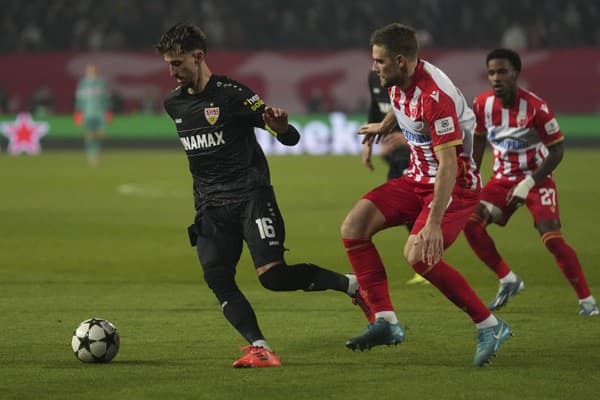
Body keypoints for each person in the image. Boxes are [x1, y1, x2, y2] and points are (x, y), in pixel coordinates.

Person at [155, 23, 372, 369]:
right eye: (168, 64)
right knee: (217, 278)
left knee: (273, 277)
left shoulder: (233, 94)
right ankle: (260, 347)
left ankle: (352, 285)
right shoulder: (173, 104)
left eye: (177, 63)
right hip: (210, 208)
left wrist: (282, 128)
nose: (172, 72)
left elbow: (290, 137)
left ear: (198, 57)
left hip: (250, 198)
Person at [341, 23, 512, 367]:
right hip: (417, 177)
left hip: (454, 186)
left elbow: (449, 164)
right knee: (354, 227)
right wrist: (384, 125)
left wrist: (433, 223)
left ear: (400, 61)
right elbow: (402, 105)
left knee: (420, 255)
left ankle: (489, 325)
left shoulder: (436, 98)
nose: (373, 67)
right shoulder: (397, 80)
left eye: (379, 61)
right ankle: (386, 323)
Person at [463, 48, 598, 316]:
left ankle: (588, 302)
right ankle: (508, 279)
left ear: (516, 74)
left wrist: (528, 183)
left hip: (537, 179)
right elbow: (478, 139)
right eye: (491, 72)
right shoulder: (481, 104)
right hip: (501, 181)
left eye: (502, 72)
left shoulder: (537, 108)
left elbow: (557, 150)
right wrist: (473, 176)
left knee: (552, 239)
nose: (496, 78)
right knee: (470, 223)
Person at [362, 69, 427, 286]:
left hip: (415, 152)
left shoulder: (409, 80)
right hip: (394, 155)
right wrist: (368, 144)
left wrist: (407, 136)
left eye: (380, 60)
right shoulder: (373, 77)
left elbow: (426, 114)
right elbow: (375, 107)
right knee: (405, 209)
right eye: (374, 60)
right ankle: (423, 260)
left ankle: (424, 261)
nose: (375, 66)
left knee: (408, 207)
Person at [74, 63, 111, 167]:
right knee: (89, 135)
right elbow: (79, 100)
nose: (92, 71)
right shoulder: (82, 83)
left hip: (100, 113)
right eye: (90, 70)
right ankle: (91, 155)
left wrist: (108, 111)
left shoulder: (102, 82)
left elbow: (106, 98)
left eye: (93, 70)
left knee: (100, 134)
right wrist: (78, 113)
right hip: (87, 114)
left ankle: (97, 152)